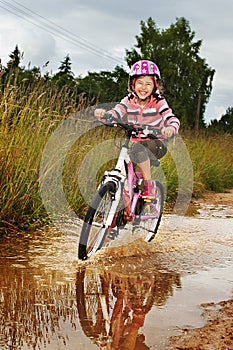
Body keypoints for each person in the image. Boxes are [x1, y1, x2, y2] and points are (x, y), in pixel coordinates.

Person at [94, 59, 180, 200]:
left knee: (139, 149)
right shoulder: (128, 100)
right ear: (132, 85)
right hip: (134, 142)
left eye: (148, 84)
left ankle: (148, 185)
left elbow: (171, 118)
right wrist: (105, 115)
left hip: (156, 143)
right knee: (124, 167)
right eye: (140, 83)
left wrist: (170, 128)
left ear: (155, 86)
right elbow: (117, 111)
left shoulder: (158, 102)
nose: (143, 87)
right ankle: (123, 209)